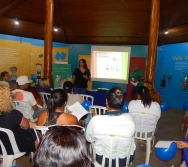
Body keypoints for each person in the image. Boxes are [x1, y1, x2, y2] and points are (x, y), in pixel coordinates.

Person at [86, 87, 136, 167]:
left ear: (106, 102)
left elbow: (88, 139)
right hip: (123, 161)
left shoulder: (95, 120)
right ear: (123, 103)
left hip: (101, 159)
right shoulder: (130, 119)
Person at [0, 85, 36, 155]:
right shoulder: (13, 114)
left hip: (1, 147)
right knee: (34, 133)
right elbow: (27, 126)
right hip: (14, 147)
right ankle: (36, 156)